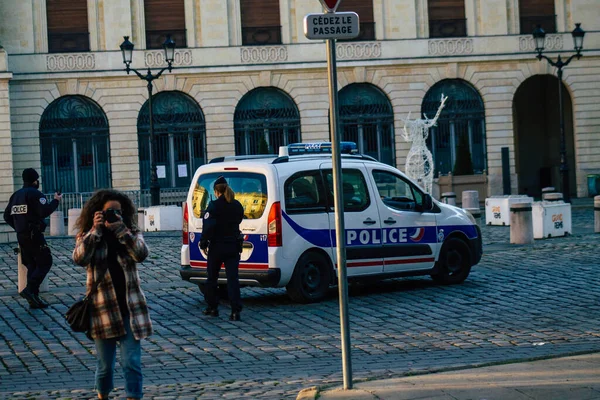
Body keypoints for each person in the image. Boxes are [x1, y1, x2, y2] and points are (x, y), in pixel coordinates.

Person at [72, 189, 152, 400]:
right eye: (109, 212)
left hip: (129, 308)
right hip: (102, 310)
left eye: (118, 211)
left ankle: (134, 396)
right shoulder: (88, 235)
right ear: (97, 213)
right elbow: (79, 258)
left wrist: (121, 231)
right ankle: (102, 396)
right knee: (105, 365)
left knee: (131, 362)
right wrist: (95, 231)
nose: (114, 215)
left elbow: (141, 254)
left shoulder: (130, 232)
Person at [3, 168, 62, 309]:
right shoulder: (35, 194)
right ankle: (30, 290)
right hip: (34, 235)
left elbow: (6, 216)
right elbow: (44, 211)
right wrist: (56, 201)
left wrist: (19, 227)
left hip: (22, 236)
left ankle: (34, 298)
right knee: (46, 261)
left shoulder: (16, 195)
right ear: (35, 180)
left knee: (32, 265)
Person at [200, 176, 245, 321]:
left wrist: (203, 242)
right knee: (233, 279)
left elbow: (208, 227)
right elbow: (239, 219)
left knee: (212, 278)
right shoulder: (237, 205)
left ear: (216, 191)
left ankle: (212, 307)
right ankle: (235, 311)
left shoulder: (213, 206)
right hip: (232, 246)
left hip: (217, 247)